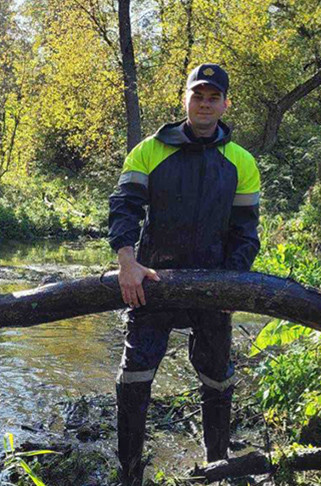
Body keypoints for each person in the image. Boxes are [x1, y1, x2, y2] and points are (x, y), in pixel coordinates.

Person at [108, 63, 261, 485]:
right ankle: (130, 475)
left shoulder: (241, 161)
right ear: (186, 100)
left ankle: (217, 470)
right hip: (151, 282)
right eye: (199, 96)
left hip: (214, 286)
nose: (205, 104)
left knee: (217, 377)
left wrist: (234, 281)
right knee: (135, 374)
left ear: (225, 104)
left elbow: (245, 231)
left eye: (214, 97)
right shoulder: (150, 150)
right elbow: (124, 206)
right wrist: (126, 260)